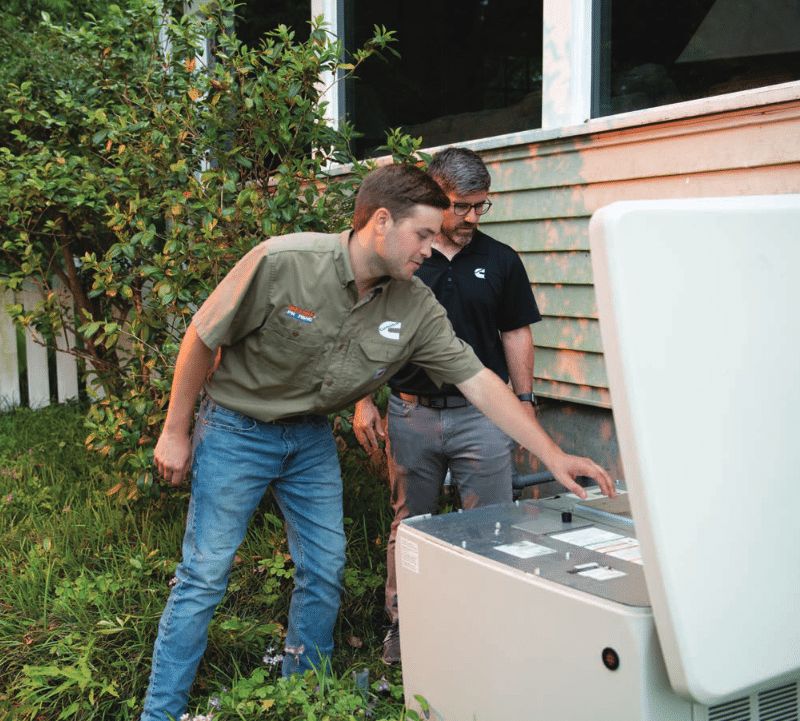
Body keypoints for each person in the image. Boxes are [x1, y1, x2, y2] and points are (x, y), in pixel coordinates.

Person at [142, 162, 615, 721]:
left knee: (324, 568)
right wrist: (175, 431)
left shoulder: (414, 304)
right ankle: (160, 711)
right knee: (205, 574)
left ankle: (305, 694)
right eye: (423, 234)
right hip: (237, 428)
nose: (432, 247)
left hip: (311, 437)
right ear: (382, 222)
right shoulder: (284, 261)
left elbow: (480, 380)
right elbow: (201, 336)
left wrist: (553, 453)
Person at [353, 147, 543, 666]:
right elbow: (363, 328)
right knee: (410, 526)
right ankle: (403, 630)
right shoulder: (404, 255)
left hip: (483, 416)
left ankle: (488, 633)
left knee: (493, 525)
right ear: (436, 197)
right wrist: (364, 400)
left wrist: (524, 402)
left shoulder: (501, 259)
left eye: (482, 206)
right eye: (462, 206)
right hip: (411, 415)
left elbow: (516, 332)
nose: (472, 218)